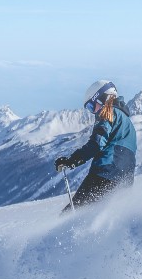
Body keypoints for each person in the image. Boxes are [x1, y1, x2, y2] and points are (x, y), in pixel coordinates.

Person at [55, 80, 137, 212]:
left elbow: (96, 143)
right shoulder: (128, 123)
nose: (94, 112)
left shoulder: (108, 112)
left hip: (106, 172)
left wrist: (72, 160)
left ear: (104, 98)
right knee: (100, 214)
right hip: (124, 180)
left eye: (93, 106)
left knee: (71, 213)